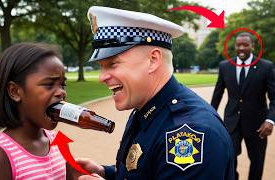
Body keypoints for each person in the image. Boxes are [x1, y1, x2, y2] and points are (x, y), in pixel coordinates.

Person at [72, 6, 235, 180]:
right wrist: (106, 172)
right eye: (101, 66)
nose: (101, 77)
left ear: (153, 60)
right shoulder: (148, 108)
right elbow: (144, 170)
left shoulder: (191, 132)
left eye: (112, 64)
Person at [0, 43, 68, 179]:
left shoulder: (59, 141)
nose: (61, 92)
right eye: (49, 84)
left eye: (62, 84)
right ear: (15, 92)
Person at [211, 32, 275, 180]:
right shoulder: (225, 66)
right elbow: (217, 95)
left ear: (252, 46)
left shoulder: (266, 67)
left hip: (258, 125)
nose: (241, 48)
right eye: (238, 45)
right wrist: (210, 117)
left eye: (245, 45)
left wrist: (270, 120)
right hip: (231, 123)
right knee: (229, 157)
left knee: (257, 161)